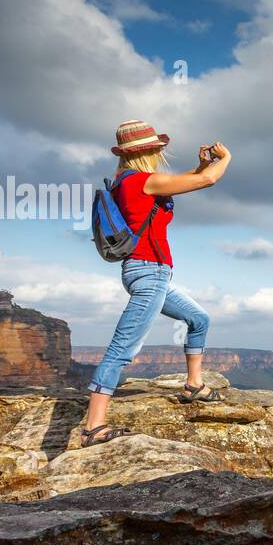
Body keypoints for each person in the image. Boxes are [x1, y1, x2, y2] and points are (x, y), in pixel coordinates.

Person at [80, 119, 232, 447]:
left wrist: (201, 164)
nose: (160, 154)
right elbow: (207, 181)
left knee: (199, 319)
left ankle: (193, 384)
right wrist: (225, 159)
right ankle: (93, 426)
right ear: (147, 152)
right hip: (148, 274)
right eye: (156, 149)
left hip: (155, 274)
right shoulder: (140, 182)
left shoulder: (130, 181)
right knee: (123, 349)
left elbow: (191, 178)